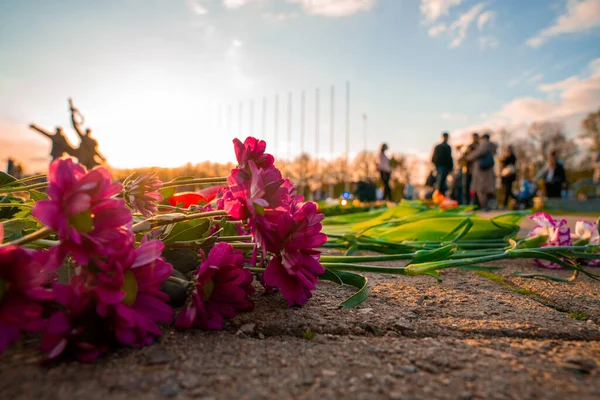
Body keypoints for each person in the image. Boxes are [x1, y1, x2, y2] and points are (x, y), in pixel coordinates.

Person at [69, 99, 106, 170]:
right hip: (83, 160)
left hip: (90, 161)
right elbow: (75, 126)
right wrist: (72, 115)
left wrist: (101, 157)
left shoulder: (91, 141)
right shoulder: (84, 138)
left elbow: (95, 151)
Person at [466, 133, 497, 210]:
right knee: (488, 190)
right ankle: (490, 206)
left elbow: (476, 154)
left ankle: (484, 206)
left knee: (481, 190)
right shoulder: (492, 146)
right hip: (487, 171)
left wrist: (468, 157)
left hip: (481, 171)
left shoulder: (484, 145)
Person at [461, 133, 480, 206]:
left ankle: (477, 204)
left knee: (476, 188)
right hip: (468, 170)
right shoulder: (469, 147)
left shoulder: (479, 147)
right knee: (466, 187)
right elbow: (464, 157)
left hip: (476, 171)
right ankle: (467, 204)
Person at [499, 145, 517, 209]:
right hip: (504, 177)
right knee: (506, 191)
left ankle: (505, 205)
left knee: (507, 191)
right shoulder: (504, 157)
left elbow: (512, 167)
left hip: (509, 177)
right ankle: (515, 200)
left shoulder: (512, 157)